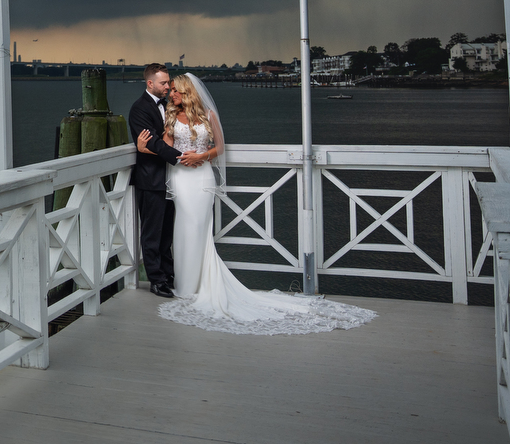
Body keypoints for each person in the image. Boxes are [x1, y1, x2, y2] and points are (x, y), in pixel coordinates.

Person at [138, 72, 377, 335]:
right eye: (170, 90)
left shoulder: (209, 116)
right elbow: (165, 148)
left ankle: (200, 284)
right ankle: (184, 285)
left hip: (202, 178)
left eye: (176, 91)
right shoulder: (171, 117)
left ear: (188, 92)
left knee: (199, 229)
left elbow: (220, 148)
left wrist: (202, 157)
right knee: (182, 229)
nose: (172, 94)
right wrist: (143, 148)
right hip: (181, 178)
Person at [127, 63, 184, 298]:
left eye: (168, 82)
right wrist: (180, 157)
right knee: (152, 233)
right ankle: (156, 280)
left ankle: (168, 274)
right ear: (150, 83)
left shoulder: (171, 103)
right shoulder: (139, 109)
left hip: (172, 179)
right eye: (163, 83)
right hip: (151, 180)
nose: (168, 87)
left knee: (167, 232)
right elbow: (152, 143)